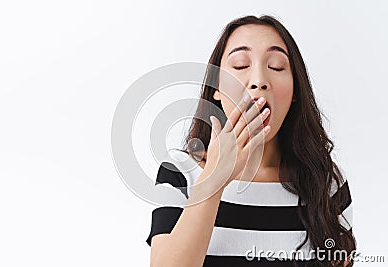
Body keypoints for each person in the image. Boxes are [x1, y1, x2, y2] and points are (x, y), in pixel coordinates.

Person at [146, 15, 356, 267]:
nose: (259, 80)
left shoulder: (327, 183)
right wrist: (214, 179)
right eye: (241, 65)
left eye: (277, 66)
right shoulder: (179, 173)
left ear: (294, 93)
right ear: (217, 88)